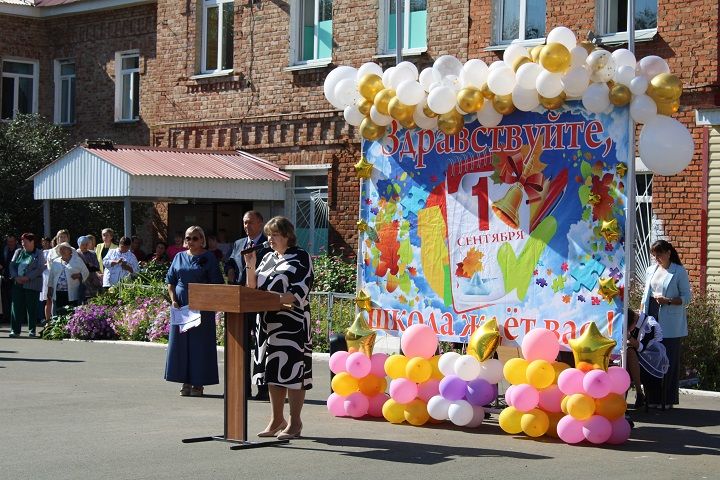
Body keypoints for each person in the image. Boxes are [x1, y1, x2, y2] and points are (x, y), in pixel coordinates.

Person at [244, 216, 314, 439]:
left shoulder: (300, 257)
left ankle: (295, 422)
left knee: (293, 373)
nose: (270, 239)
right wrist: (251, 266)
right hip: (267, 324)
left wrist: (275, 299)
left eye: (274, 234)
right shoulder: (267, 259)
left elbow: (299, 291)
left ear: (287, 235)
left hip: (292, 324)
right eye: (268, 235)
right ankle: (276, 419)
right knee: (273, 373)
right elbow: (252, 288)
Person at [164, 226, 224, 397]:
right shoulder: (179, 257)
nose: (191, 242)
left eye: (195, 238)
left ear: (202, 240)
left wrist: (205, 298)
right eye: (188, 238)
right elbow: (171, 281)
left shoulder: (209, 257)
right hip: (181, 306)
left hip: (202, 308)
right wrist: (174, 300)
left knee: (200, 345)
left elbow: (216, 283)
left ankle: (198, 383)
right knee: (182, 345)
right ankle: (185, 380)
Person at [640, 240, 691, 409]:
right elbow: (645, 294)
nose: (657, 258)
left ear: (669, 252)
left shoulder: (679, 271)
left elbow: (687, 298)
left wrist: (668, 301)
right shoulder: (650, 270)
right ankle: (653, 398)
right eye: (654, 255)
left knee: (669, 361)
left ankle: (668, 399)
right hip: (651, 318)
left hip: (671, 322)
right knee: (651, 358)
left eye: (660, 254)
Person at [226, 210, 271, 400]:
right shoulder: (238, 244)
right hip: (239, 302)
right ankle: (242, 387)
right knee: (241, 346)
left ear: (260, 223)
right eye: (245, 223)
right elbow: (230, 261)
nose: (247, 226)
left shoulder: (267, 246)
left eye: (251, 223)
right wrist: (229, 271)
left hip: (259, 301)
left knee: (261, 346)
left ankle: (262, 388)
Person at [625, 308, 669, 409]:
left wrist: (628, 338)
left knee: (630, 353)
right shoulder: (634, 320)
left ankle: (637, 393)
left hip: (651, 363)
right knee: (626, 355)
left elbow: (641, 348)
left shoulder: (649, 325)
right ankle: (634, 395)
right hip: (636, 360)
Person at [8, 233, 45, 337]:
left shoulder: (39, 253)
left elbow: (40, 268)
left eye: (25, 241)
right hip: (17, 283)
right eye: (22, 241)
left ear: (32, 241)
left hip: (32, 283)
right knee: (16, 307)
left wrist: (28, 277)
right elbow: (12, 265)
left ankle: (32, 330)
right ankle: (15, 330)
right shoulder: (18, 251)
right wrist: (15, 277)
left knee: (31, 307)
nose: (23, 243)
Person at [47, 242, 89, 316]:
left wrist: (79, 275)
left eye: (64, 248)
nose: (62, 250)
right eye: (61, 249)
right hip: (58, 292)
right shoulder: (55, 261)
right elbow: (51, 276)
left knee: (70, 312)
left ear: (70, 250)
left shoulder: (77, 260)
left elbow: (86, 272)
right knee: (59, 312)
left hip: (72, 292)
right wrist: (49, 289)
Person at [1, 234, 19, 323]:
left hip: (16, 278)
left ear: (15, 241)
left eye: (12, 241)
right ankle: (7, 316)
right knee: (6, 299)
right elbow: (2, 262)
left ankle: (16, 317)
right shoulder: (5, 249)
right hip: (6, 277)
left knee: (15, 298)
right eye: (8, 241)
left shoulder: (20, 250)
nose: (10, 243)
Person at [77, 236, 102, 300]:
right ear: (79, 244)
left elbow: (97, 267)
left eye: (86, 244)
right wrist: (88, 266)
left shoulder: (92, 253)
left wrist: (91, 266)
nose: (85, 246)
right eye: (83, 244)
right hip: (81, 281)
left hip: (93, 280)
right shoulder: (76, 254)